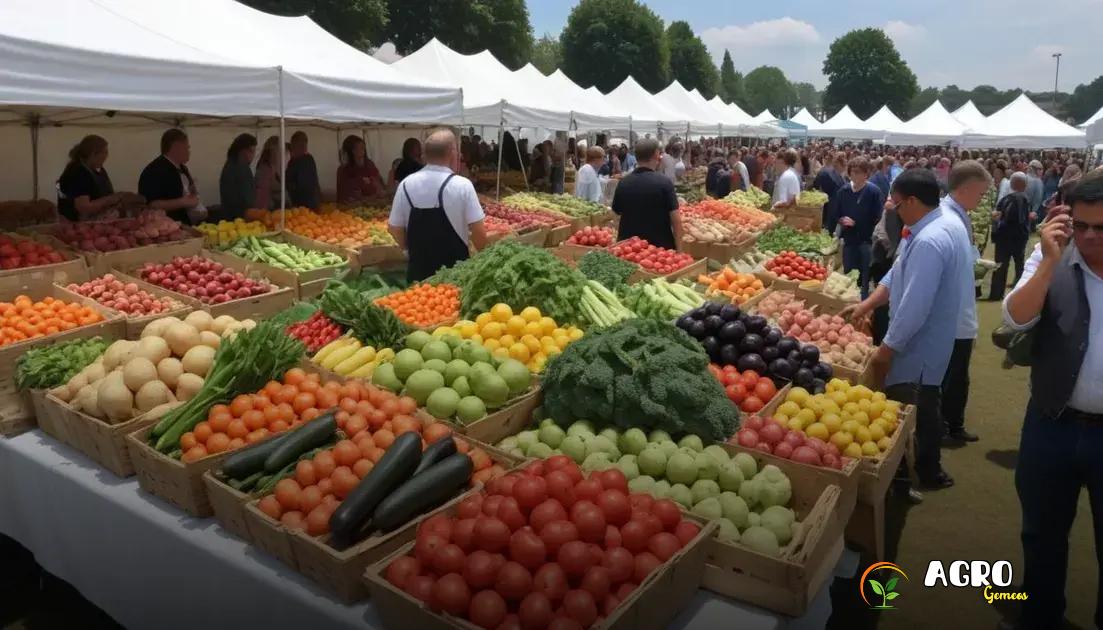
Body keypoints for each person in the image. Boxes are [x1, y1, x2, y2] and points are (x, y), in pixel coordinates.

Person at [1004, 170, 1103, 630]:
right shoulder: (1052, 258)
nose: (1088, 237)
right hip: (1052, 423)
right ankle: (1040, 619)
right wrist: (1048, 261)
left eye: (1101, 229)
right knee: (1041, 536)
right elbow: (1017, 319)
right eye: (1080, 225)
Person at [843, 168, 970, 489]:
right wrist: (868, 304)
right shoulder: (927, 227)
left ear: (913, 201)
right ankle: (921, 467)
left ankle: (925, 471)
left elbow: (914, 306)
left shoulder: (930, 239)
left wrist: (886, 350)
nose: (894, 210)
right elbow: (897, 274)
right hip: (925, 343)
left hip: (918, 346)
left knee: (919, 407)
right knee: (923, 403)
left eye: (897, 205)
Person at [930, 160, 992, 444]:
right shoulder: (949, 221)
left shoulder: (954, 216)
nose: (981, 201)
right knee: (950, 377)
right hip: (952, 316)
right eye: (980, 194)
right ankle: (944, 427)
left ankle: (952, 424)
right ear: (966, 189)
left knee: (956, 376)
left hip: (958, 313)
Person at [387, 129, 488, 282]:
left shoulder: (405, 185)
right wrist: (484, 259)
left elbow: (394, 228)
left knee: (416, 306)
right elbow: (479, 232)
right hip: (455, 275)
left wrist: (408, 250)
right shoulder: (462, 185)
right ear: (452, 152)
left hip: (419, 275)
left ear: (425, 155)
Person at [611, 138, 682, 250]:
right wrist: (680, 250)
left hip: (629, 248)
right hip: (659, 250)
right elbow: (676, 220)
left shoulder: (623, 183)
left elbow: (616, 217)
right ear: (656, 154)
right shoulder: (664, 183)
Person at [834, 157, 885, 298]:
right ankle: (848, 301)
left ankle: (863, 301)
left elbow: (878, 217)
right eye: (852, 172)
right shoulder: (843, 191)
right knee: (849, 273)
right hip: (849, 240)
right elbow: (836, 213)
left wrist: (857, 223)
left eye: (859, 172)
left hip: (866, 240)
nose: (855, 176)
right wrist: (842, 219)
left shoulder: (873, 192)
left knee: (865, 275)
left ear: (866, 174)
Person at [138, 128, 206, 224]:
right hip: (165, 228)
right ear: (176, 147)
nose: (189, 152)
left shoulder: (182, 168)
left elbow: (188, 193)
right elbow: (152, 204)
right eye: (187, 148)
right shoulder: (155, 171)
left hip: (185, 224)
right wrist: (184, 202)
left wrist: (193, 193)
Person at [988, 172, 1032, 300]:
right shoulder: (1024, 199)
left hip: (1004, 237)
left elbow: (1005, 218)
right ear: (1024, 184)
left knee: (1001, 266)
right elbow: (1020, 219)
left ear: (1012, 184)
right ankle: (1019, 293)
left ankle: (996, 294)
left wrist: (997, 223)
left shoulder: (1007, 199)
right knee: (1019, 266)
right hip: (1019, 237)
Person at [56, 134, 121, 221]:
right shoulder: (78, 172)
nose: (106, 156)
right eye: (104, 152)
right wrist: (109, 200)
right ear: (93, 153)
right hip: (79, 225)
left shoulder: (97, 170)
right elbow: (83, 207)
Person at [218, 133, 257, 219]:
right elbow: (248, 198)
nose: (253, 155)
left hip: (229, 216)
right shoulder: (242, 168)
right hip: (242, 218)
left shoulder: (229, 164)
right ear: (243, 151)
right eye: (252, 151)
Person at [336, 136, 385, 204]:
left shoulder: (369, 164)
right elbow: (344, 194)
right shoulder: (343, 169)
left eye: (363, 147)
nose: (363, 149)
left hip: (373, 204)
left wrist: (380, 191)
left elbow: (378, 182)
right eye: (359, 147)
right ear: (351, 150)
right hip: (351, 207)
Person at [285, 131, 321, 210]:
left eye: (303, 146)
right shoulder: (292, 161)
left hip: (305, 205)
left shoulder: (306, 160)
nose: (304, 148)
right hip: (301, 205)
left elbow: (306, 186)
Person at [813, 152, 847, 233]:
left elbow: (816, 187)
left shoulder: (826, 172)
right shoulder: (832, 175)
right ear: (839, 164)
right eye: (844, 166)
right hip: (830, 209)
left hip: (828, 208)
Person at [254, 136, 282, 211]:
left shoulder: (270, 166)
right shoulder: (265, 168)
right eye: (278, 150)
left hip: (267, 205)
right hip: (263, 206)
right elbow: (270, 185)